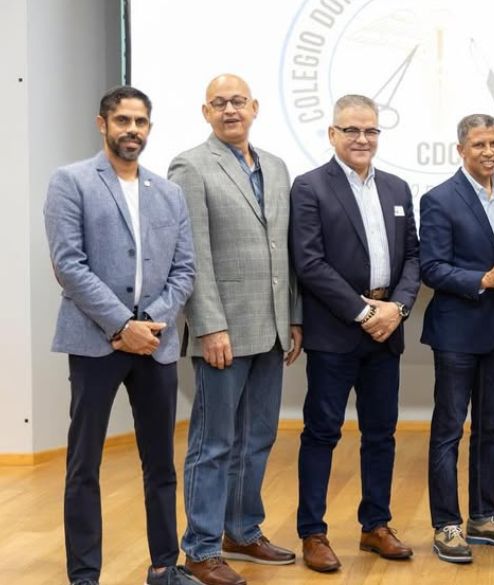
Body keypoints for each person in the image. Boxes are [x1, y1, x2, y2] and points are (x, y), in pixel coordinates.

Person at [43, 85, 196, 585]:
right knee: (84, 464)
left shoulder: (168, 192)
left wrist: (150, 321)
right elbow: (69, 265)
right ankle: (84, 575)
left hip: (156, 342)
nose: (133, 130)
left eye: (141, 122)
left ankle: (163, 567)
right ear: (102, 124)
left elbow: (185, 269)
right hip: (96, 342)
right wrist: (121, 325)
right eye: (123, 121)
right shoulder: (71, 182)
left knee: (161, 465)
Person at [168, 74, 302, 585]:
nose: (230, 110)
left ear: (255, 108)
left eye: (238, 102)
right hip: (222, 332)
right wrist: (208, 326)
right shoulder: (190, 166)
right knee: (214, 442)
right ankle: (201, 549)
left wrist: (293, 317)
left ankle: (242, 530)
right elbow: (193, 254)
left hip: (270, 328)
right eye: (219, 103)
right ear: (206, 112)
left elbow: (283, 251)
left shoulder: (276, 166)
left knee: (258, 437)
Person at [289, 94, 420, 572]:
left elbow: (413, 258)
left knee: (380, 433)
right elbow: (309, 262)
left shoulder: (398, 187)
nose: (362, 139)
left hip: (388, 329)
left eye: (370, 131)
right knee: (322, 432)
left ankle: (375, 525)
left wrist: (398, 309)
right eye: (351, 131)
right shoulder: (309, 187)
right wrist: (364, 314)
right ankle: (313, 532)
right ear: (332, 134)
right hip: (337, 333)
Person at [419, 114, 494, 564]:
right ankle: (446, 524)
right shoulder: (439, 199)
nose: (489, 151)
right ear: (461, 150)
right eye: (480, 144)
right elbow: (432, 267)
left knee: (490, 429)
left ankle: (484, 516)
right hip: (456, 333)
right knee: (448, 431)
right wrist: (483, 279)